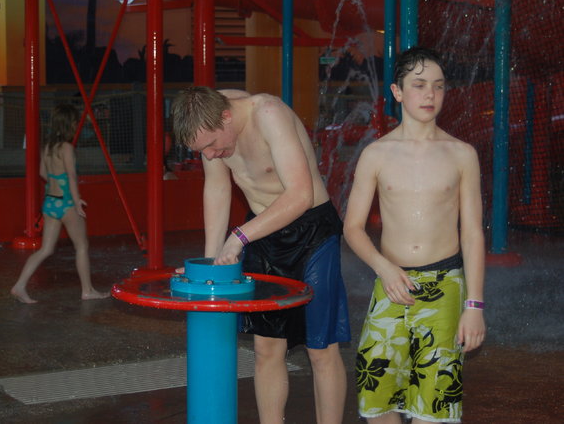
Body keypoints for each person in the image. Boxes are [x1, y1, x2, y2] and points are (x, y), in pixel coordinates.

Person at [172, 86, 351, 423]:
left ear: (227, 116)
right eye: (202, 150)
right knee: (267, 348)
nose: (209, 155)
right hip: (262, 233)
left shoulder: (269, 114)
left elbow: (300, 194)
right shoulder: (206, 118)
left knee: (320, 348)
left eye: (212, 145)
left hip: (311, 232)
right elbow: (218, 188)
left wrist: (239, 237)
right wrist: (211, 264)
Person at [343, 47, 486, 423]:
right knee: (377, 399)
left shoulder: (461, 154)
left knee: (435, 408)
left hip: (445, 287)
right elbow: (352, 228)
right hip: (391, 284)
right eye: (419, 85)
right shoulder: (376, 154)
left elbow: (472, 234)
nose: (430, 95)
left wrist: (474, 306)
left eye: (438, 86)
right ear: (397, 91)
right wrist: (384, 268)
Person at [11, 104, 109, 304]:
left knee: (45, 249)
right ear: (69, 124)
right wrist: (77, 200)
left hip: (50, 202)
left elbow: (42, 173)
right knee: (82, 246)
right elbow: (72, 175)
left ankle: (19, 285)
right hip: (66, 203)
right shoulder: (67, 148)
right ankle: (88, 290)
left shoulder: (47, 147)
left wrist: (56, 182)